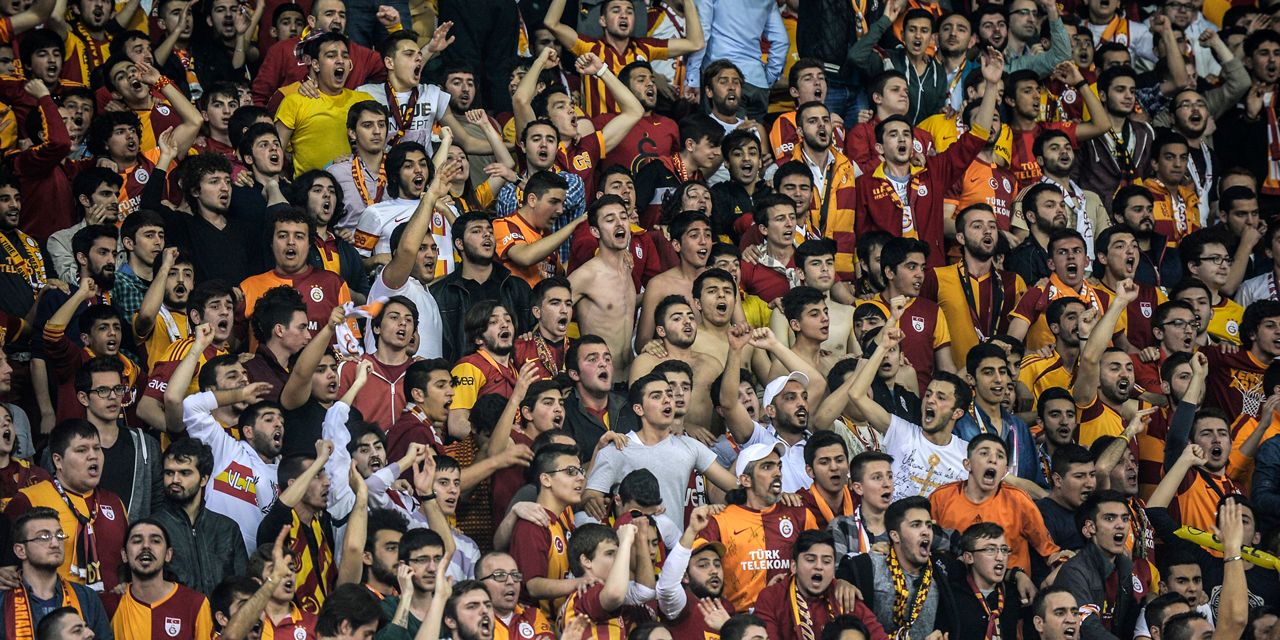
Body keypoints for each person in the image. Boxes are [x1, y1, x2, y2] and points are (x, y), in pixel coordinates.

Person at [174, 323, 281, 552]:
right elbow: (187, 404)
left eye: (245, 375)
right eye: (233, 376)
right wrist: (240, 394)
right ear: (211, 390)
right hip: (215, 552)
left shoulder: (261, 439)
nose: (244, 381)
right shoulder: (212, 438)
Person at [847, 324, 972, 501]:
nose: (930, 400)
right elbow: (856, 394)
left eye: (941, 397)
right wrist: (882, 348)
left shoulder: (968, 453)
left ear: (957, 413)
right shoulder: (902, 432)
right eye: (928, 394)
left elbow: (1008, 481)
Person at [693, 443, 818, 612]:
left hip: (792, 616)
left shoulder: (801, 516)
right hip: (740, 619)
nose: (777, 473)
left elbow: (819, 566)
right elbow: (695, 570)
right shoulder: (719, 520)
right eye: (767, 467)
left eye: (779, 466)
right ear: (745, 480)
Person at [928, 434, 1066, 576]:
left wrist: (1063, 562)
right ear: (967, 464)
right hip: (953, 583)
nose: (993, 459)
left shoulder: (1019, 501)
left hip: (1011, 585)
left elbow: (1048, 552)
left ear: (1005, 471)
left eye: (1000, 456)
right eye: (984, 453)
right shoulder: (941, 498)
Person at [921, 204, 1027, 368]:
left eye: (992, 226)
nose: (987, 231)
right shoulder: (937, 277)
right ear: (961, 238)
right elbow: (924, 335)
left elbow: (1022, 343)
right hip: (954, 379)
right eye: (977, 226)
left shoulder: (1014, 282)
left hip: (999, 378)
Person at [836, 496, 953, 639]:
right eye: (916, 525)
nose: (925, 531)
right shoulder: (868, 567)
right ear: (895, 536)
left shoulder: (941, 572)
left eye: (928, 525)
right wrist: (841, 580)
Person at [431, 212, 534, 363]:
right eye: (476, 231)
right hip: (459, 375)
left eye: (490, 231)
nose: (487, 235)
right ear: (459, 244)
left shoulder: (518, 288)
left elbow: (533, 334)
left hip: (512, 374)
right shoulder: (440, 294)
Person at [152, 437, 247, 597]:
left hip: (221, 612)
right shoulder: (152, 528)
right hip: (178, 612)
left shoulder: (227, 528)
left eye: (184, 473)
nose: (175, 480)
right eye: (169, 473)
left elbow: (242, 588)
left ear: (204, 479)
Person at [1054, 490, 1154, 640]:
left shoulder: (1124, 567)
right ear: (1090, 528)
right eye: (1109, 518)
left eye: (1125, 518)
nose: (1120, 525)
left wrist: (1151, 607)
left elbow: (1129, 623)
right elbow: (1087, 626)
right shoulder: (1074, 572)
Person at [0, 507, 112, 639]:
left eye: (59, 536)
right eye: (44, 537)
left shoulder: (86, 597)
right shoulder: (3, 599)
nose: (55, 543)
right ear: (20, 550)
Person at [274, 33, 376, 175]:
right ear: (316, 65)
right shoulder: (294, 102)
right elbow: (275, 151)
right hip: (310, 186)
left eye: (345, 56)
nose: (340, 61)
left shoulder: (364, 100)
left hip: (361, 185)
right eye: (331, 56)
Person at [102, 519, 214, 640]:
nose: (146, 546)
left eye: (155, 541)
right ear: (124, 555)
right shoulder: (109, 605)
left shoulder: (196, 604)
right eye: (137, 541)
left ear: (168, 554)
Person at [509, 443, 584, 619]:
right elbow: (533, 586)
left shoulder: (564, 517)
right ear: (546, 480)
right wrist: (582, 583)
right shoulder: (533, 525)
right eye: (571, 471)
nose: (581, 477)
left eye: (581, 471)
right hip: (538, 625)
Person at [570, 196, 638, 374]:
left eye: (623, 217)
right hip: (598, 379)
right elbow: (550, 310)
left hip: (629, 378)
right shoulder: (586, 275)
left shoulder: (627, 266)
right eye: (610, 220)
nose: (619, 224)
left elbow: (619, 307)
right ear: (595, 231)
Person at [656, 505, 734, 640]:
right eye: (703, 565)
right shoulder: (680, 604)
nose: (714, 571)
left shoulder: (727, 607)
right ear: (685, 576)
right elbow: (667, 588)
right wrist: (691, 530)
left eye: (717, 564)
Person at [476, 551, 555, 640]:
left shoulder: (533, 616)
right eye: (500, 575)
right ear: (479, 585)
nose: (511, 581)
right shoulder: (473, 622)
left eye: (515, 575)